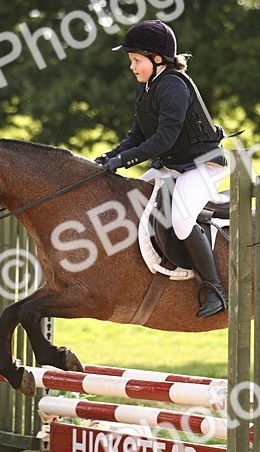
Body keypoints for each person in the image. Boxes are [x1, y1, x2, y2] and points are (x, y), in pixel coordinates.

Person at [96, 19, 229, 318]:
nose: (131, 67)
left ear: (157, 59)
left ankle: (216, 289)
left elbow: (163, 138)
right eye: (131, 61)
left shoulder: (173, 86)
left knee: (181, 219)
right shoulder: (148, 87)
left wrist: (125, 161)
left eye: (136, 60)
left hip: (202, 165)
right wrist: (110, 156)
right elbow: (137, 135)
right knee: (131, 202)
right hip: (173, 165)